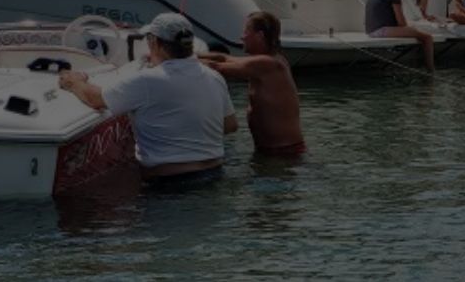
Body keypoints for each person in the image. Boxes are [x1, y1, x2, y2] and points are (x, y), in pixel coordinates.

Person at [59, 13, 238, 189]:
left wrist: (73, 81)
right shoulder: (214, 77)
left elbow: (95, 99)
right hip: (215, 176)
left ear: (155, 42)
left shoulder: (147, 80)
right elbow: (230, 125)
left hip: (170, 186)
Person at [200, 12, 305, 157]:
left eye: (245, 31)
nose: (242, 37)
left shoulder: (267, 63)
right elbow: (223, 58)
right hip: (272, 152)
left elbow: (216, 67)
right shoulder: (272, 60)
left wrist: (177, 60)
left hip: (282, 154)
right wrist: (192, 54)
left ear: (259, 36)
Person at [364, 0, 437, 72]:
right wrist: (412, 29)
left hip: (370, 30)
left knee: (415, 30)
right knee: (427, 37)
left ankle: (418, 64)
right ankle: (431, 71)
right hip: (381, 30)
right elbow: (401, 22)